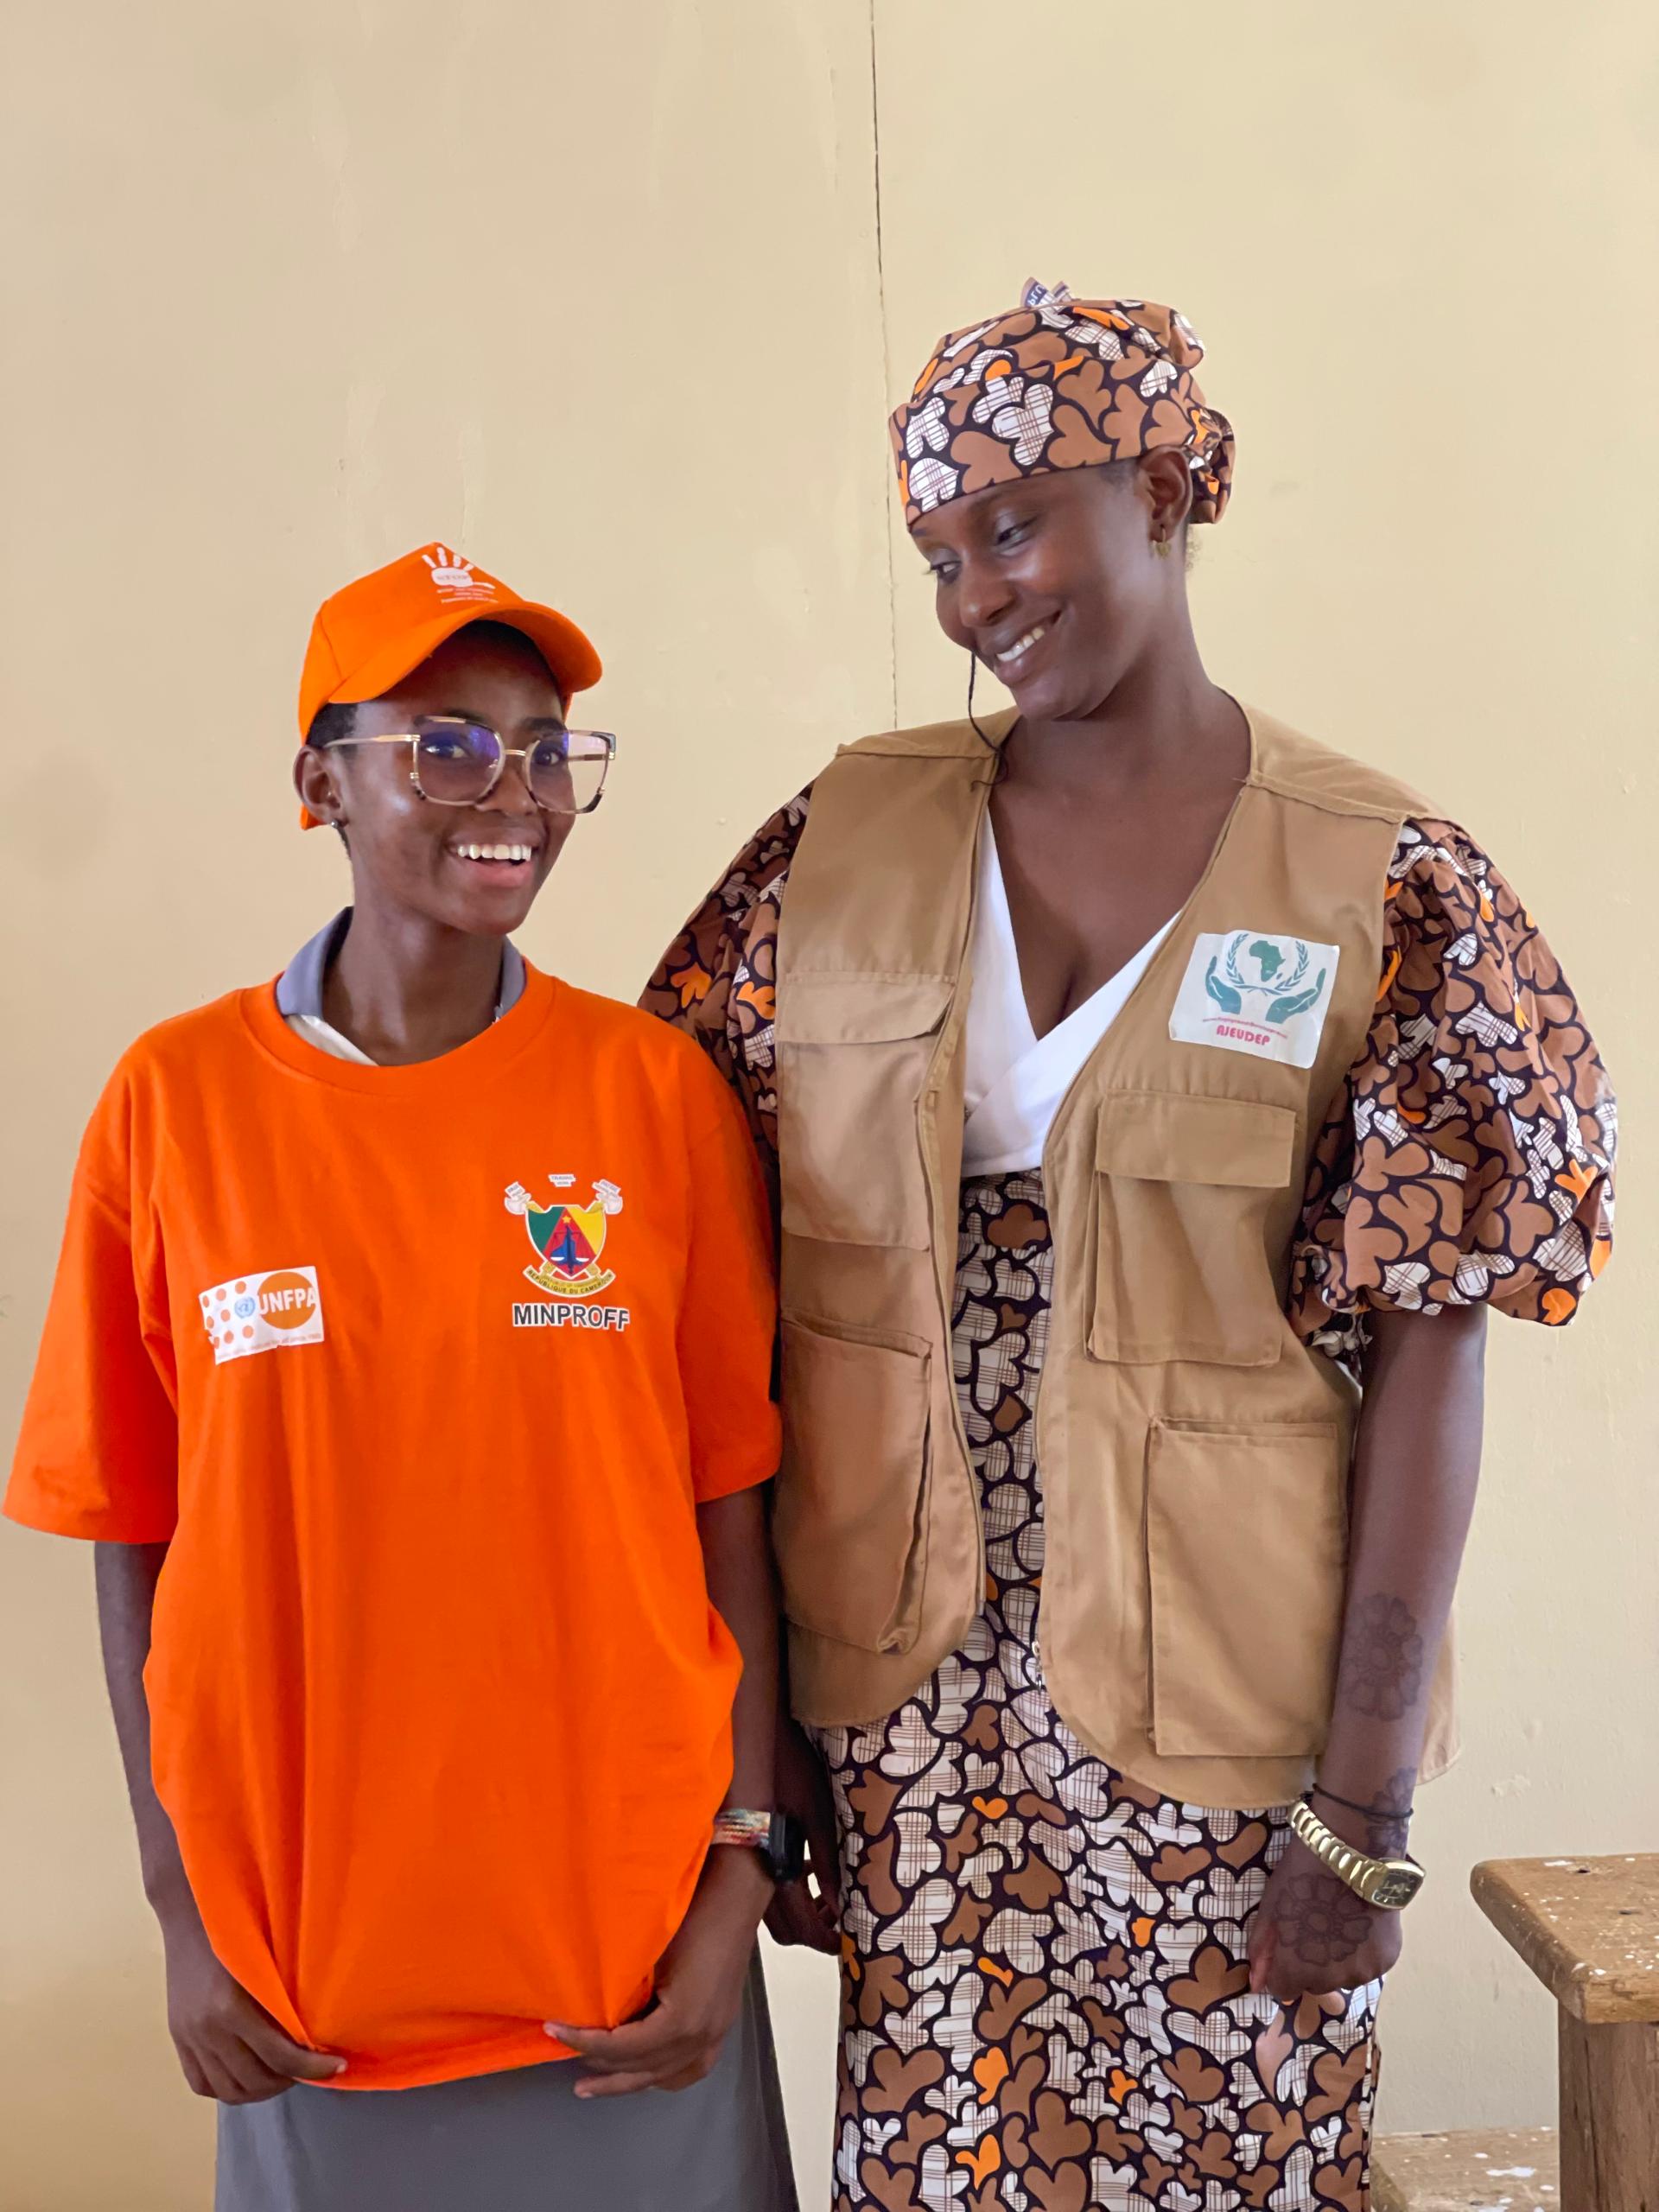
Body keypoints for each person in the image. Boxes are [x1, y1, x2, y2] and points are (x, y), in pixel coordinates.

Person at [644, 284, 1618, 2211]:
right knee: (938, 2161)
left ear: (1165, 491)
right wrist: (750, 1758)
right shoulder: (838, 843)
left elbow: (1433, 1354)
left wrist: (1363, 1801)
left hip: (1233, 1719)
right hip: (908, 1693)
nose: (974, 597)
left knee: (1237, 2157)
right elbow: (700, 1286)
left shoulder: (1376, 880)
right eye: (939, 554)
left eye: (1011, 526)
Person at [6, 543, 802, 2212]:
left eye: (546, 748)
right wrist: (182, 1913)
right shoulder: (175, 1107)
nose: (513, 792)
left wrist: (737, 1879)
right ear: (320, 784)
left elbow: (732, 1515)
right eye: (446, 745)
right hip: (312, 1993)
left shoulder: (653, 1098)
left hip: (627, 1973)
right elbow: (131, 1539)